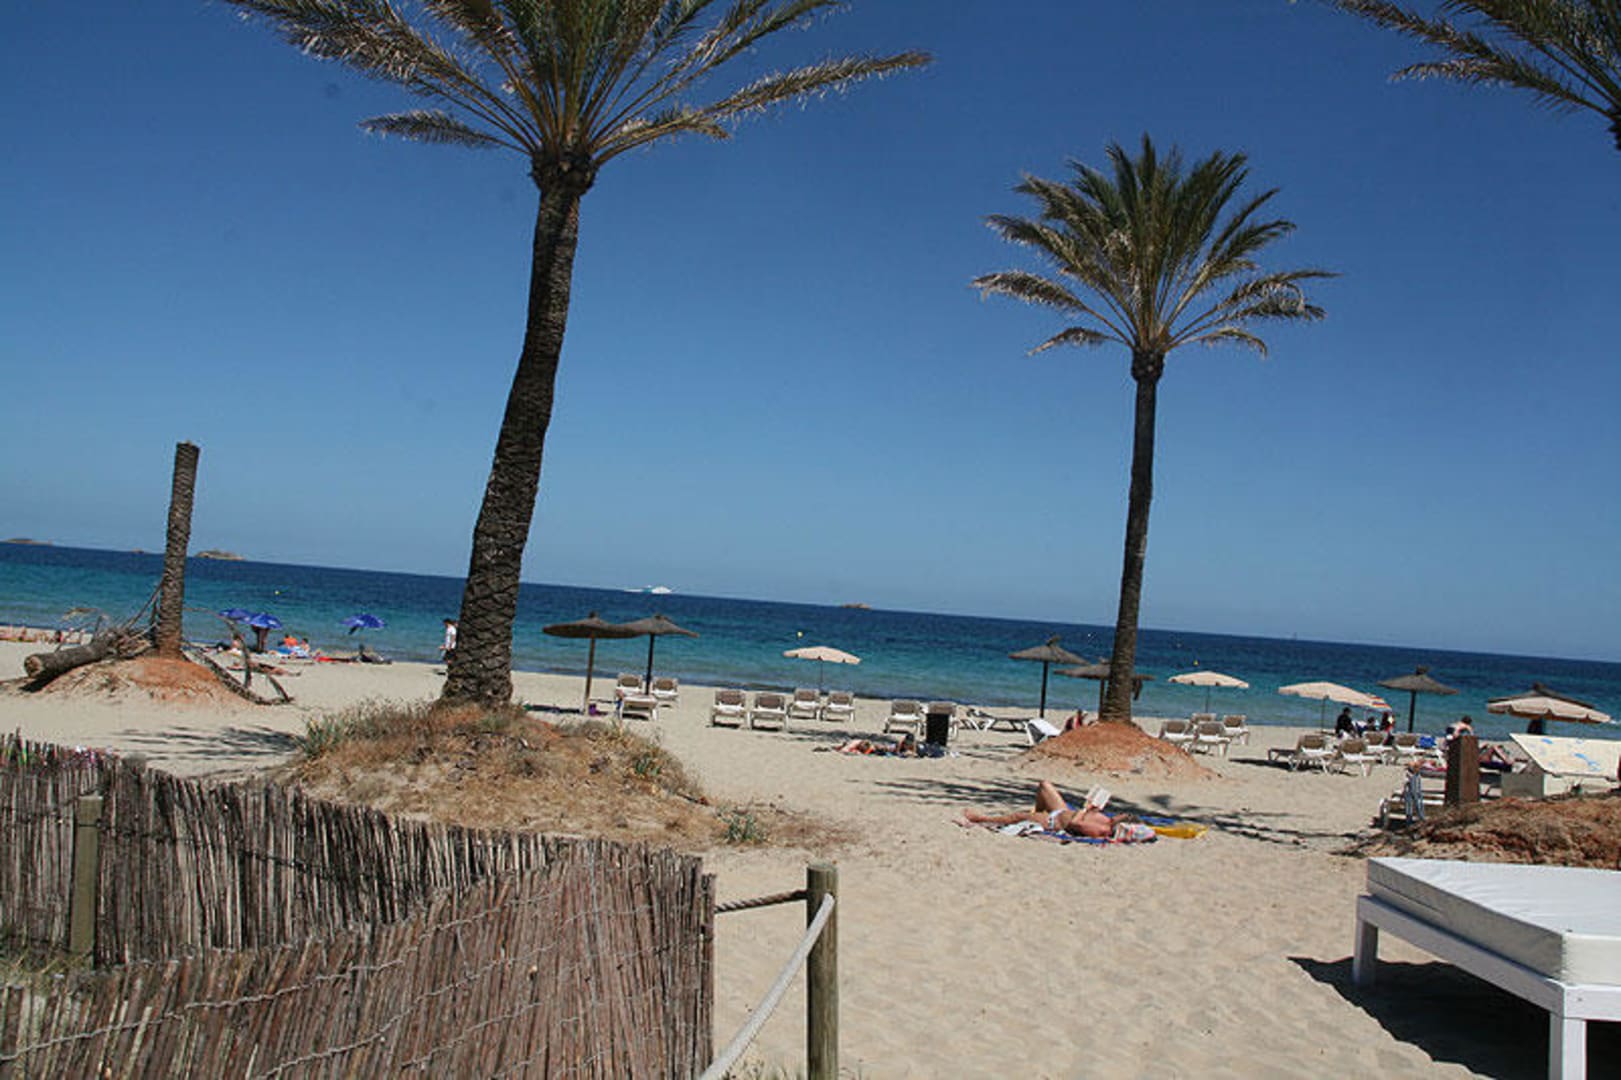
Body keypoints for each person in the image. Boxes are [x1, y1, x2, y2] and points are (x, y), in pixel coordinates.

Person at [963, 780, 1127, 839]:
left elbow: (1076, 823)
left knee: (1017, 816)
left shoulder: (1101, 829)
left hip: (1053, 821)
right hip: (1061, 810)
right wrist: (1094, 809)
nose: (1119, 814)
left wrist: (1085, 810)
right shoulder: (1106, 819)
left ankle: (981, 819)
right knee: (1045, 785)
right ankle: (1038, 811)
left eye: (1122, 816)